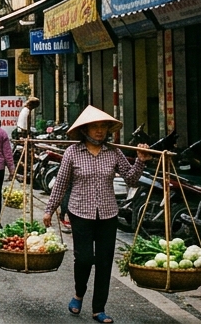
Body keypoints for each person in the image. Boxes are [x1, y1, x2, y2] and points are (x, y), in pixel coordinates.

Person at [43, 106, 151, 324]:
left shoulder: (114, 152)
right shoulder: (73, 153)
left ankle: (98, 308)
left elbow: (130, 179)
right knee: (83, 259)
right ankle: (78, 293)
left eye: (103, 127)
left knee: (104, 262)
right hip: (80, 212)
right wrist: (50, 209)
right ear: (85, 130)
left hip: (108, 214)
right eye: (95, 127)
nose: (100, 131)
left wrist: (140, 160)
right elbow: (61, 183)